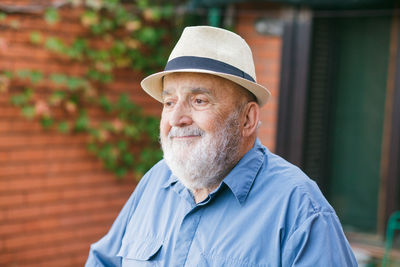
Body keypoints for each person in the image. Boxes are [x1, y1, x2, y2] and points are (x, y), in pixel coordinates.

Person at [85, 26, 357, 266]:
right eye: (169, 103)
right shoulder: (154, 182)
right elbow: (103, 261)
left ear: (247, 118)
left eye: (199, 100)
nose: (177, 118)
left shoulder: (300, 208)